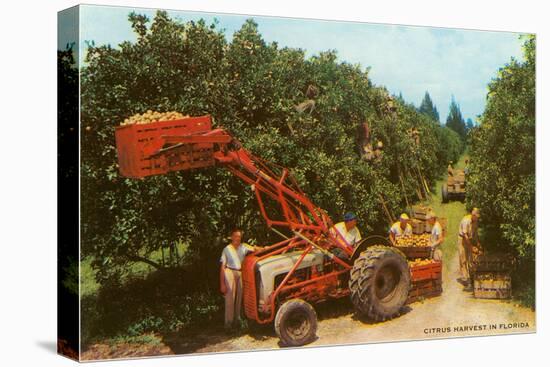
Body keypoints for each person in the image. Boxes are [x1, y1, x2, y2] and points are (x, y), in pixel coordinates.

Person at [219, 228, 259, 330]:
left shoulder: (243, 247)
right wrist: (222, 284)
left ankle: (237, 322)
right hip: (230, 272)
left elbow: (255, 249)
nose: (238, 238)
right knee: (230, 298)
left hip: (240, 273)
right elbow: (222, 267)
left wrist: (265, 248)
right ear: (231, 237)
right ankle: (228, 324)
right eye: (236, 236)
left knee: (239, 298)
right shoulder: (227, 249)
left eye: (239, 237)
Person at [457, 208, 481, 291]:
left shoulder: (475, 221)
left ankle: (471, 278)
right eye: (476, 217)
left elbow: (475, 234)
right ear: (473, 215)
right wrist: (471, 247)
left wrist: (478, 243)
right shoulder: (466, 221)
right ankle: (467, 281)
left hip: (469, 239)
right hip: (462, 240)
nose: (477, 218)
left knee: (471, 260)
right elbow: (465, 236)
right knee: (463, 260)